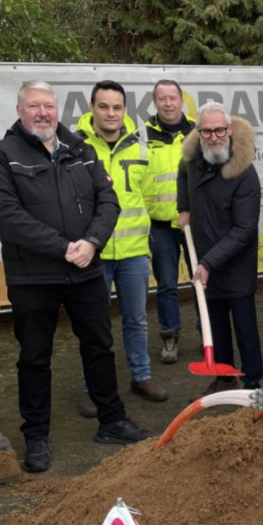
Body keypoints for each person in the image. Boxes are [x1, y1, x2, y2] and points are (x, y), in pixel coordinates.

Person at [0, 80, 152, 473]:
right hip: (33, 277)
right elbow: (5, 218)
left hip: (85, 269)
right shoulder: (0, 156)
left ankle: (112, 421)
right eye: (33, 106)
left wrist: (92, 241)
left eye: (49, 106)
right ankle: (36, 436)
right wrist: (63, 246)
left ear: (58, 110)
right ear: (20, 110)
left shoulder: (80, 149)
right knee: (35, 358)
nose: (42, 113)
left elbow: (108, 201)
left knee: (99, 347)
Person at [76, 81, 168, 408]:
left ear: (125, 110)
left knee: (137, 320)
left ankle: (141, 376)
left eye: (117, 107)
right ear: (92, 108)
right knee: (93, 324)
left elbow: (150, 198)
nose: (111, 113)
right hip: (93, 254)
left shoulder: (142, 151)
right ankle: (92, 387)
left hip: (133, 255)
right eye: (104, 106)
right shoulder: (76, 150)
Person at [176, 101, 263, 394]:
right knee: (214, 325)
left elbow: (245, 229)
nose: (214, 137)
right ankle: (225, 379)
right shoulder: (192, 162)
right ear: (198, 133)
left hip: (234, 264)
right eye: (207, 131)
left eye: (219, 130)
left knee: (244, 328)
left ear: (229, 130)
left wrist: (209, 263)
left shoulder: (245, 174)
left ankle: (253, 384)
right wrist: (183, 207)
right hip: (204, 259)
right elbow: (182, 176)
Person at [144, 79, 199, 365]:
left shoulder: (197, 133)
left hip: (194, 223)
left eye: (173, 98)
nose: (168, 103)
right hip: (160, 225)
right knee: (166, 284)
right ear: (155, 102)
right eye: (162, 98)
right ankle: (170, 335)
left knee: (202, 281)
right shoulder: (143, 134)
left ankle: (208, 333)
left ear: (181, 100)